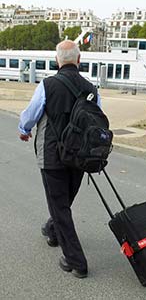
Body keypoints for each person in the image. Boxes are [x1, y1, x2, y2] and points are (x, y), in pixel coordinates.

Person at [18, 40, 101, 279]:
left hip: (52, 156)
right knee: (63, 204)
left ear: (57, 61)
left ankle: (77, 262)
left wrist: (24, 129)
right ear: (79, 59)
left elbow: (30, 115)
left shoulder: (47, 84)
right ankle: (52, 231)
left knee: (60, 207)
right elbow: (97, 121)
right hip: (80, 158)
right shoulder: (91, 89)